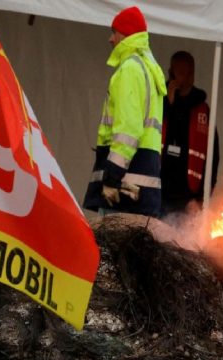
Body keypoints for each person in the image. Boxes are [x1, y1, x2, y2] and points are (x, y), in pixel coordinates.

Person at [83, 6, 166, 217]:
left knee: (109, 249)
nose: (110, 39)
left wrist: (112, 176)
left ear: (126, 35)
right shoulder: (149, 69)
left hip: (125, 187)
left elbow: (128, 131)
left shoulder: (129, 69)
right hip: (143, 185)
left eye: (114, 32)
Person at [160, 51, 219, 216]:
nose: (184, 77)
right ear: (171, 72)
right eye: (180, 72)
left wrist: (203, 197)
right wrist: (168, 103)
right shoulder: (159, 102)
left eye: (188, 72)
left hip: (189, 198)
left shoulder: (203, 110)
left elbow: (212, 157)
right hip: (158, 192)